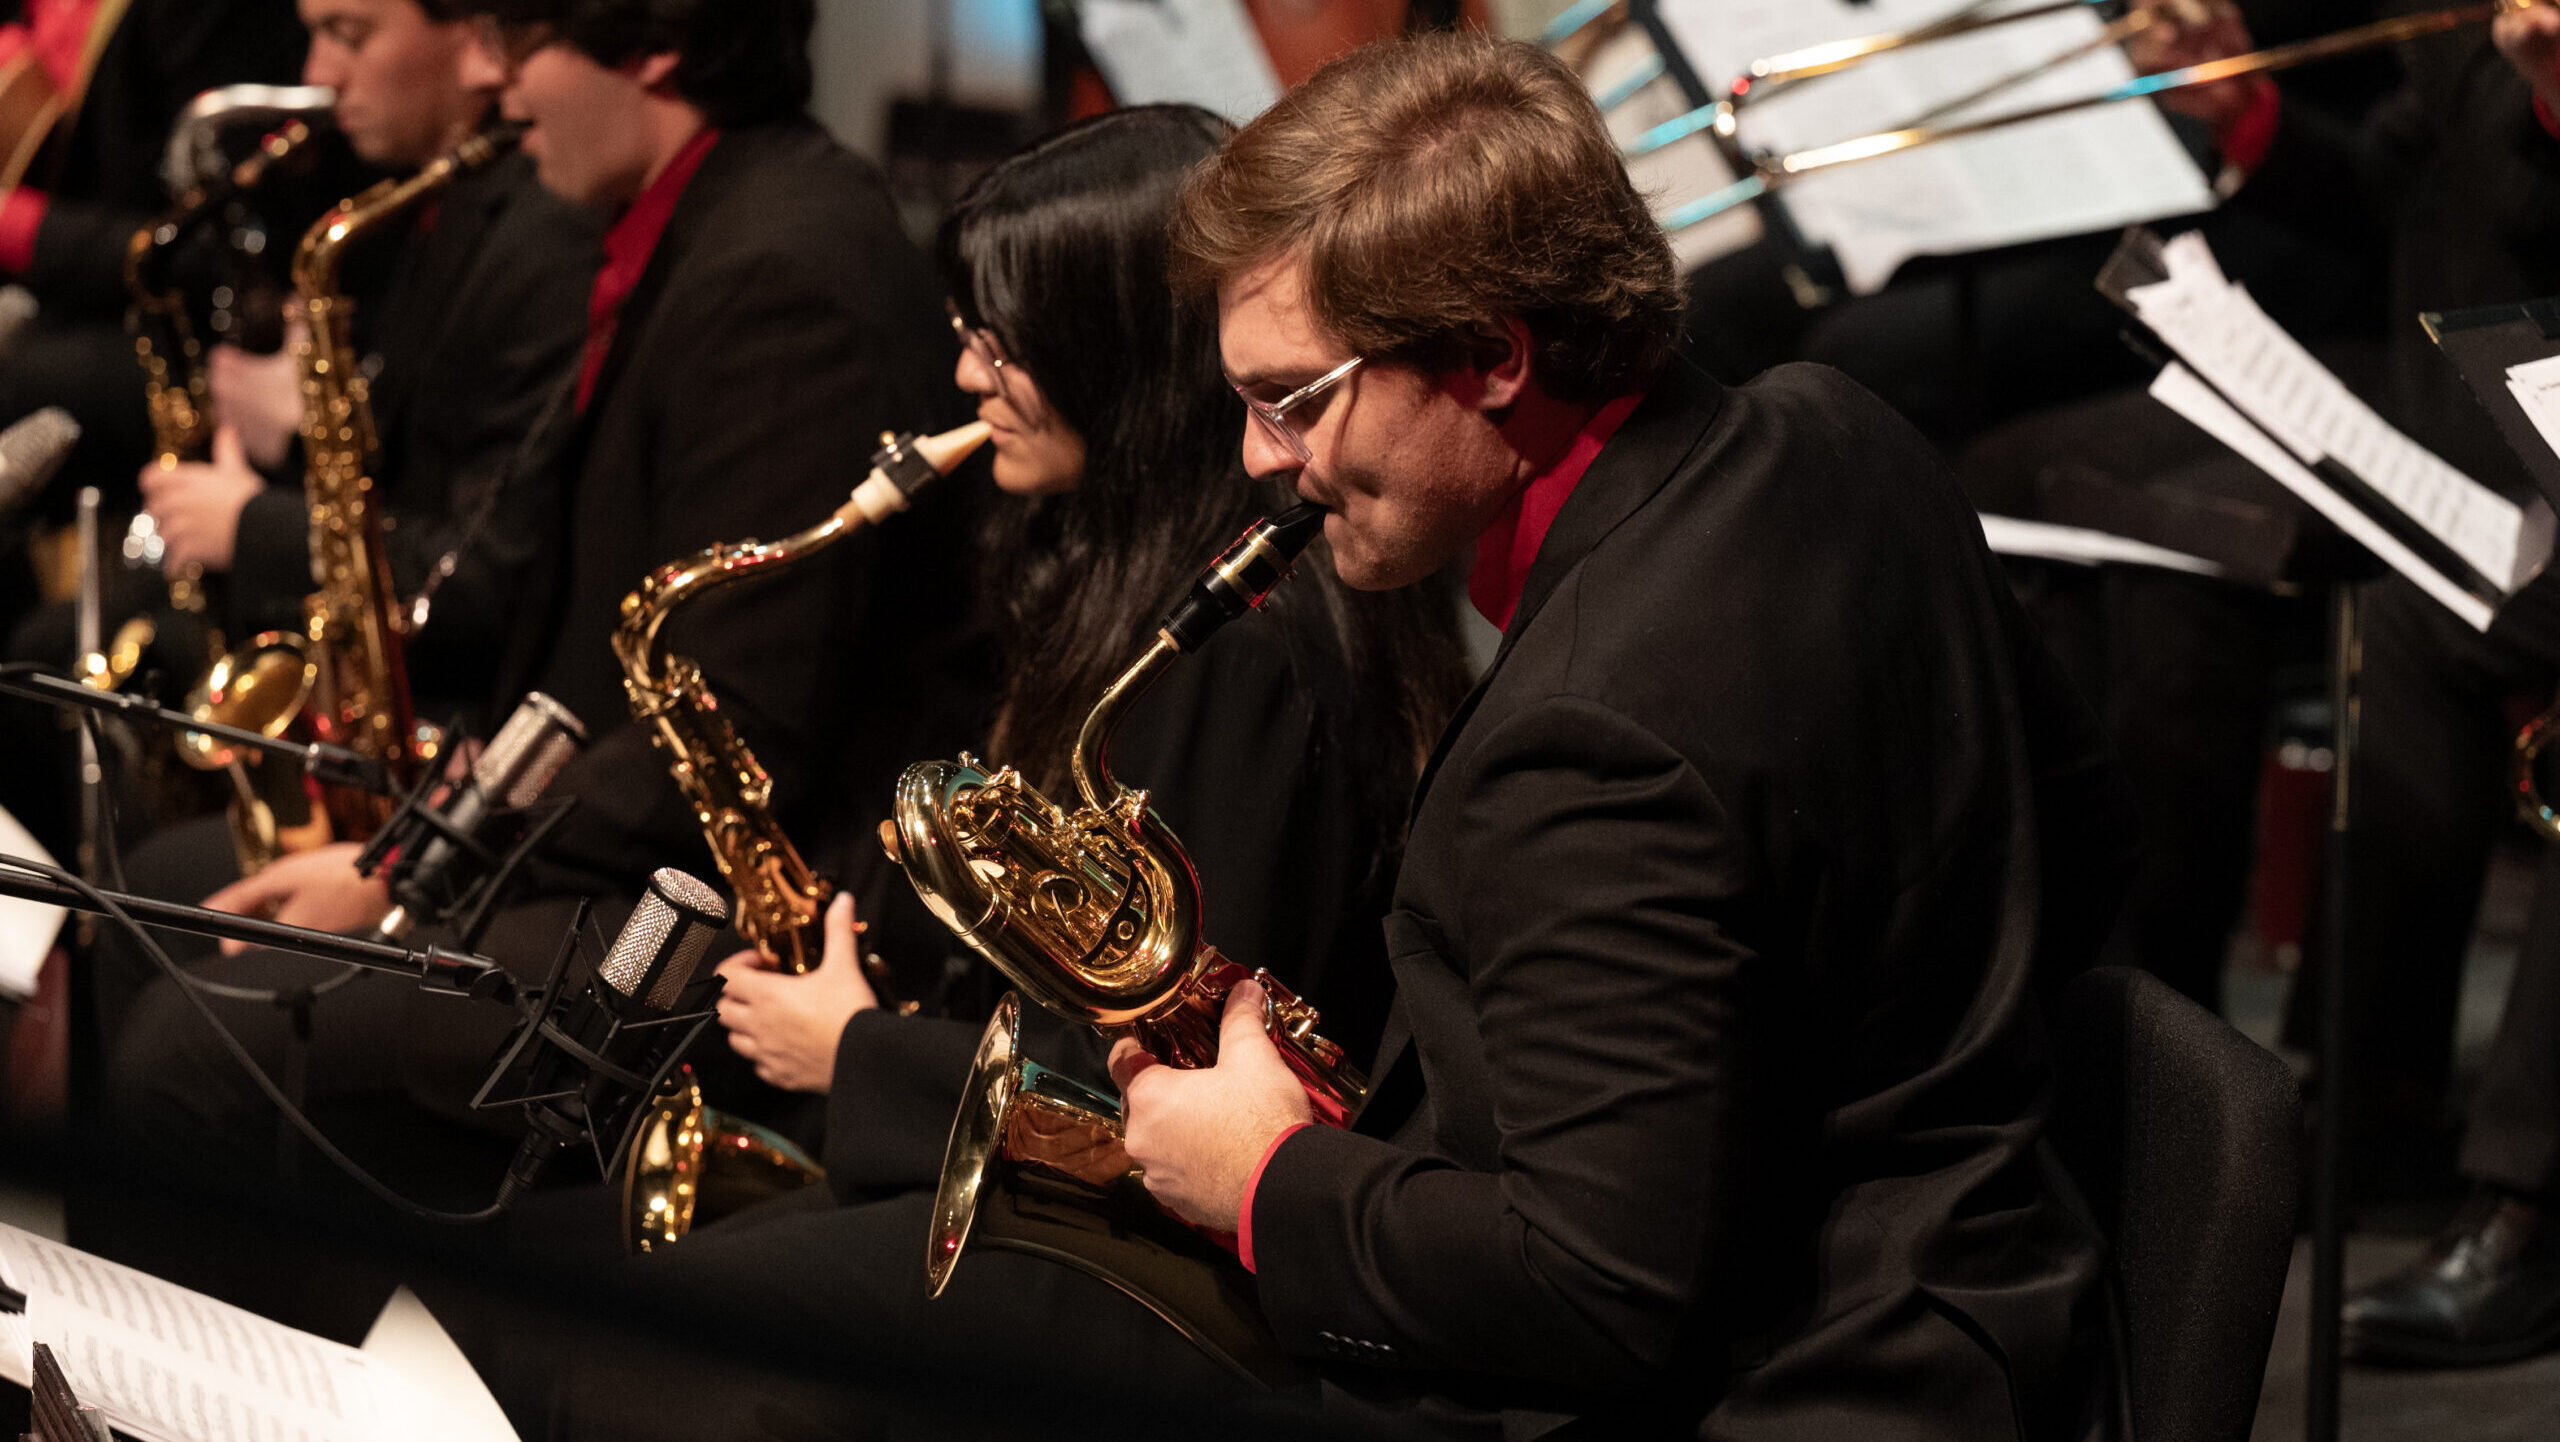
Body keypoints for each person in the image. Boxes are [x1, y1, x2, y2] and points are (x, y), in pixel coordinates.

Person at [548, 33, 2137, 1442]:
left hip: (1781, 1382)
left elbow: (1598, 1295)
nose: (1260, 460)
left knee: (716, 1366)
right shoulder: (1831, 430)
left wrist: (1262, 1177)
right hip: (1984, 1277)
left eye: (1297, 399)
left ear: (1496, 355)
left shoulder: (1590, 733)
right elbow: (2069, 838)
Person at [92, 0, 976, 1259]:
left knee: (200, 1048)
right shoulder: (695, 220)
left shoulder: (785, 271)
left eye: (524, 46)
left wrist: (414, 877)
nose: (494, 83)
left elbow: (729, 733)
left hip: (704, 922)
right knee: (168, 902)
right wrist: (430, 836)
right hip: (607, 847)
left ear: (656, 50)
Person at [703, 104, 1469, 1209]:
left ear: (1117, 356)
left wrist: (857, 1051)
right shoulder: (1098, 566)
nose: (967, 377)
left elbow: (1177, 1075)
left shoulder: (1240, 653)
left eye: (1001, 344)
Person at [134, 0, 597, 719]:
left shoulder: (547, 228)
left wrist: (254, 524)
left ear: (472, 35)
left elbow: (483, 572)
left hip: (450, 697)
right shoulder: (444, 200)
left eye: (348, 35)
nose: (318, 75)